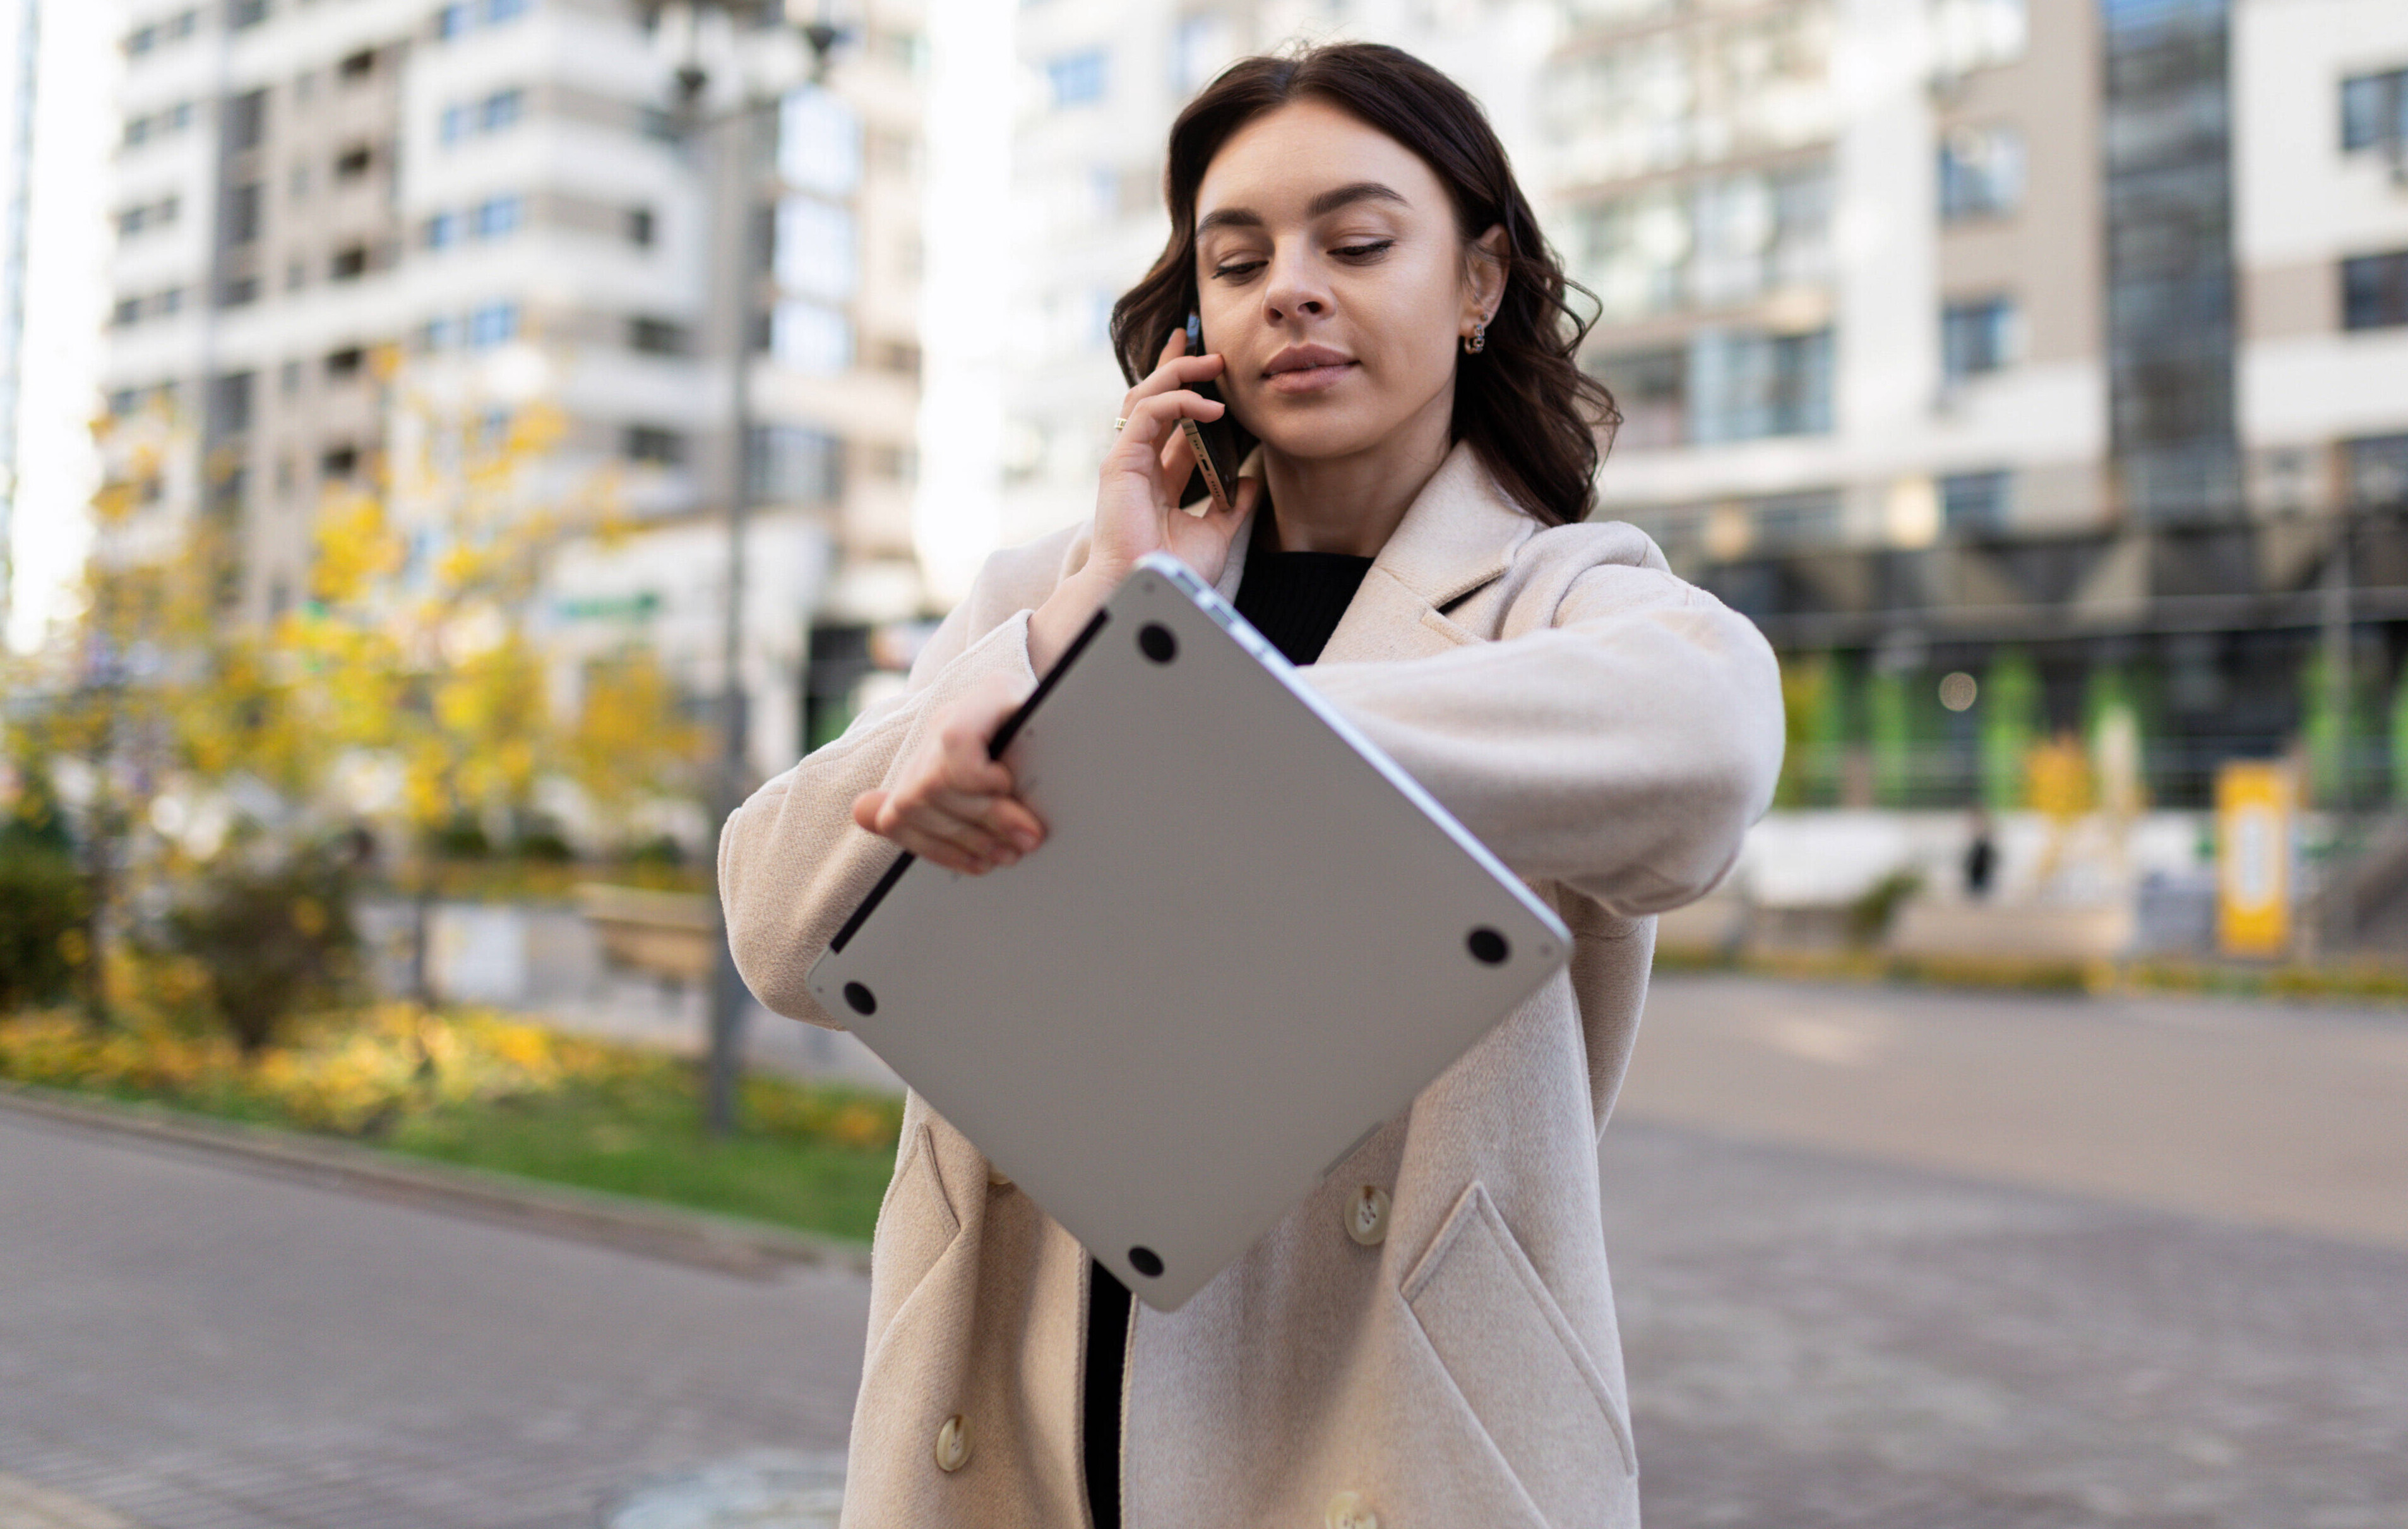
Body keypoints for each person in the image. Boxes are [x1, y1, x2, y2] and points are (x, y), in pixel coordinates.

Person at [718, 42, 1782, 1529]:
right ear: (1197, 317)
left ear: (1477, 284)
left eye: (1355, 242)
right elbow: (775, 928)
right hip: (1012, 1429)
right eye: (1237, 258)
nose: (1290, 286)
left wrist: (1161, 709)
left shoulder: (1557, 598)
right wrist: (1079, 632)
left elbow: (1710, 748)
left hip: (1386, 1434)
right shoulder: (1046, 600)